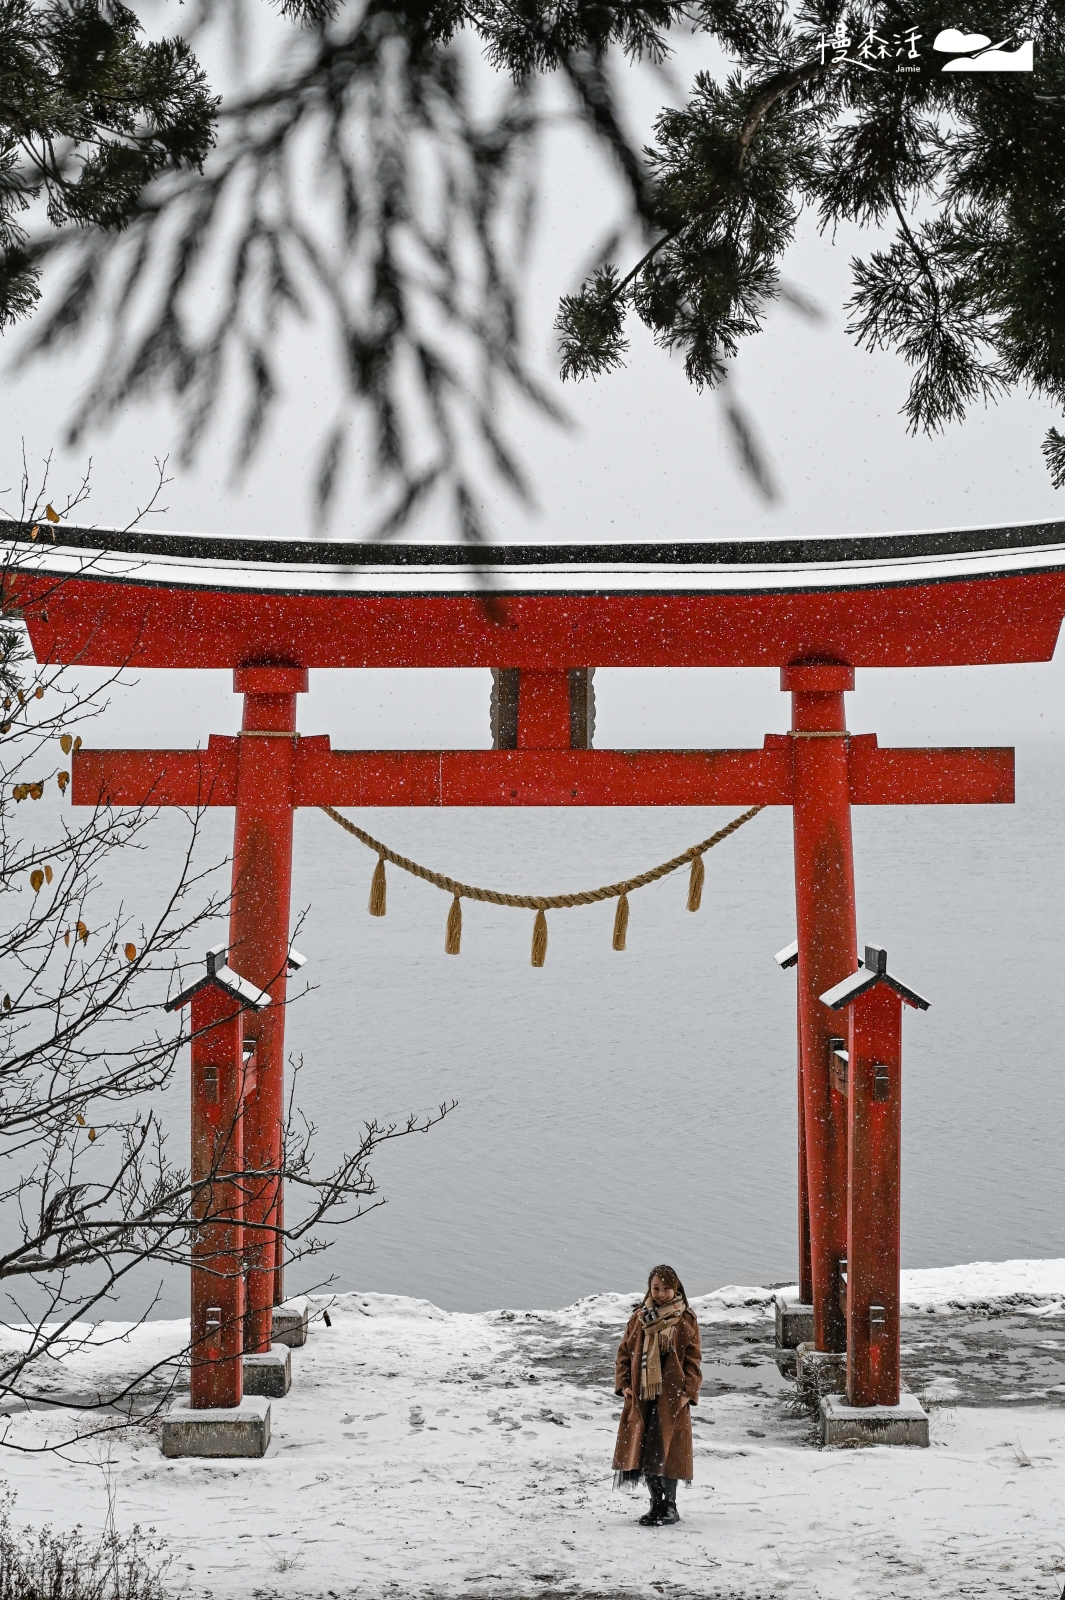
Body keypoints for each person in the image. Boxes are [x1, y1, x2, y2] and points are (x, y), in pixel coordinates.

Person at [612, 1263, 702, 1527]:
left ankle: (670, 1508)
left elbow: (693, 1360)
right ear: (649, 1288)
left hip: (672, 1397)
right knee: (644, 1450)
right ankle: (655, 1505)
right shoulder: (639, 1318)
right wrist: (624, 1385)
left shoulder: (686, 1319)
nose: (661, 1293)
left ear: (676, 1288)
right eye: (656, 1288)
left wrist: (689, 1392)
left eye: (666, 1288)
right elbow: (624, 1355)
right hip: (642, 1394)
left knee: (668, 1450)